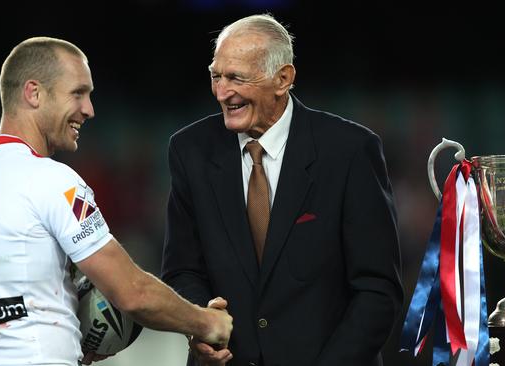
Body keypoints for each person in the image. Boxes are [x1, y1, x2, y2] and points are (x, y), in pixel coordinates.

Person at [0, 37, 232, 366]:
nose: (89, 109)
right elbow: (132, 292)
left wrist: (14, 333)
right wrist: (207, 323)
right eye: (78, 93)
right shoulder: (51, 179)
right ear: (34, 93)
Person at [161, 14, 403, 366]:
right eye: (216, 75)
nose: (222, 91)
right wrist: (199, 321)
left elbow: (378, 290)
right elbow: (182, 271)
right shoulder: (190, 151)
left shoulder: (348, 151)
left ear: (283, 79)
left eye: (236, 78)